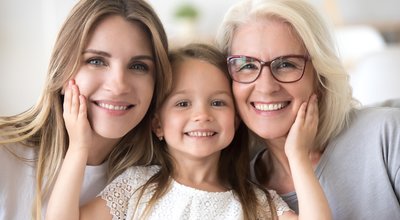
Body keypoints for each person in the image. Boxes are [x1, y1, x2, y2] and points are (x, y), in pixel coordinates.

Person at [46, 43, 331, 220]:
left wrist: (298, 156)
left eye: (218, 102)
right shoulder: (135, 187)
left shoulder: (258, 204)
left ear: (237, 119)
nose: (202, 115)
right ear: (157, 123)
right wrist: (78, 147)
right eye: (182, 103)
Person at [216, 0, 400, 219]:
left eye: (286, 64)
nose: (266, 87)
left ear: (321, 76)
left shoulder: (387, 136)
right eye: (247, 65)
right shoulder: (239, 191)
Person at [0, 0, 171, 219]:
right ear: (62, 71)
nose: (118, 85)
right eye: (97, 61)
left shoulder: (155, 180)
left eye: (138, 66)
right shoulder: (5, 150)